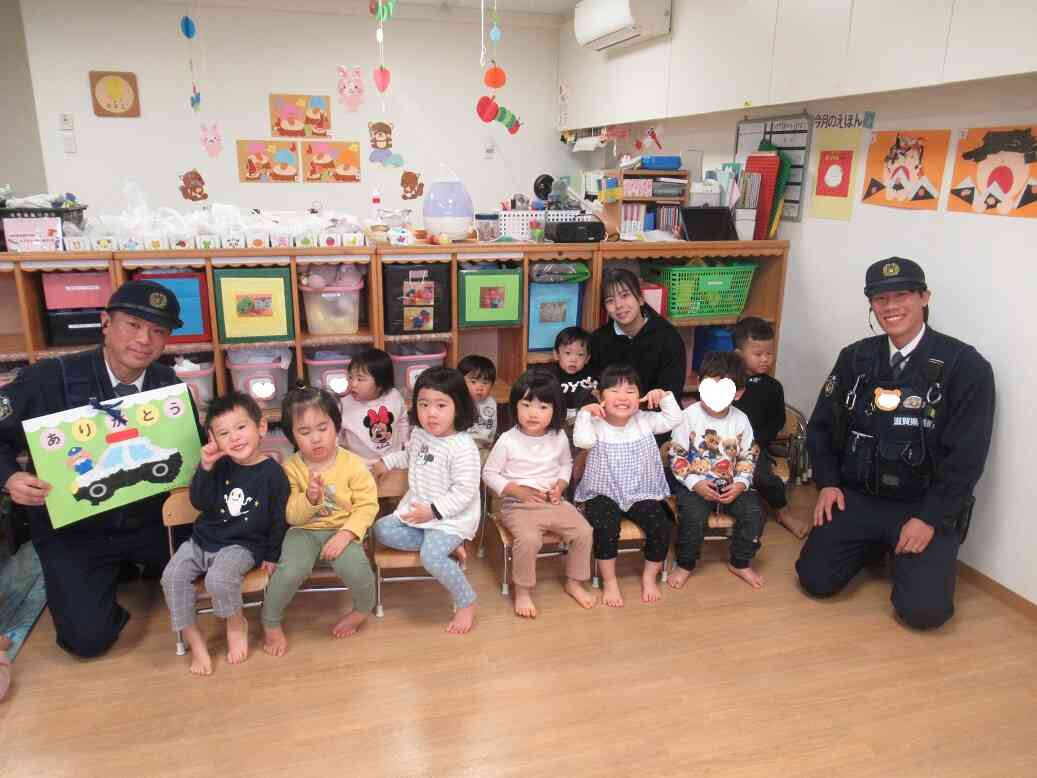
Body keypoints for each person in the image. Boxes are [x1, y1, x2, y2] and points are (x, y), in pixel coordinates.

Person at [796, 257, 995, 630]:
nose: (890, 307)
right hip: (859, 495)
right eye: (879, 298)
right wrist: (828, 484)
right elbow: (821, 427)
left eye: (901, 295)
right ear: (871, 304)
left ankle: (898, 549)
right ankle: (876, 544)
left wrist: (930, 518)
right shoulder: (856, 357)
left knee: (924, 614)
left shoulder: (965, 367)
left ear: (924, 297)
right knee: (815, 580)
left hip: (922, 505)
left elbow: (967, 457)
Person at [0, 280, 190, 659]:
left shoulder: (168, 386)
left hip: (149, 520)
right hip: (75, 531)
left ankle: (139, 568)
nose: (144, 340)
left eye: (158, 331)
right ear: (106, 322)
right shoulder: (50, 377)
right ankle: (107, 581)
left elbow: (187, 456)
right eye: (133, 325)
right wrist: (9, 477)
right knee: (86, 640)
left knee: (221, 567)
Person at [160, 392, 288, 675]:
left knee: (219, 579)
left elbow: (280, 517)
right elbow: (200, 502)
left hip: (242, 545)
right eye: (224, 433)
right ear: (212, 438)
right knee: (171, 577)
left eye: (241, 427)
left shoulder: (273, 473)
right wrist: (205, 466)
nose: (235, 438)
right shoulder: (217, 465)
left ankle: (235, 623)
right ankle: (195, 641)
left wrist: (272, 553)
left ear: (261, 427)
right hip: (201, 541)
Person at [261, 385, 378, 657]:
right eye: (304, 432)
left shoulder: (352, 464)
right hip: (303, 531)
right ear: (292, 435)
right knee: (289, 572)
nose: (315, 439)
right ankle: (270, 622)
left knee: (359, 571)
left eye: (322, 428)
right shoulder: (290, 468)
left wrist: (346, 534)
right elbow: (290, 514)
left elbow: (367, 505)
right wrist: (310, 499)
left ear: (336, 427)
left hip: (342, 529)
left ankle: (361, 611)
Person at [372, 367, 481, 634]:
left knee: (431, 557)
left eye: (441, 405)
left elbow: (464, 493)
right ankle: (448, 549)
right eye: (424, 404)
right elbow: (409, 456)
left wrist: (432, 512)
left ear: (459, 407)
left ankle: (467, 602)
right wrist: (387, 461)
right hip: (418, 510)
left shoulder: (463, 446)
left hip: (449, 520)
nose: (431, 413)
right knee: (381, 529)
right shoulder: (420, 434)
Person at [482, 369, 595, 618]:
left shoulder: (559, 438)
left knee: (584, 532)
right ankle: (522, 590)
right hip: (517, 504)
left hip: (552, 500)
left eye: (543, 407)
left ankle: (574, 582)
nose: (533, 413)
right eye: (526, 405)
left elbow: (566, 464)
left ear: (555, 410)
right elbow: (489, 474)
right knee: (530, 539)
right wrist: (517, 492)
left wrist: (560, 486)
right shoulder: (507, 440)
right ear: (515, 406)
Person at [574, 364, 682, 607]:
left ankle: (649, 577)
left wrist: (664, 397)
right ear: (600, 397)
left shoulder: (645, 420)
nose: (622, 397)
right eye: (613, 391)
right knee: (604, 527)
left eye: (631, 391)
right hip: (602, 492)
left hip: (641, 491)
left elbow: (675, 419)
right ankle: (610, 581)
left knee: (661, 526)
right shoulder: (595, 424)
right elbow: (582, 440)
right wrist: (584, 414)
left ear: (640, 397)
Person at [668, 352, 764, 589]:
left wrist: (741, 483)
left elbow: (749, 455)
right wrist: (695, 484)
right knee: (692, 517)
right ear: (700, 384)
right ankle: (685, 563)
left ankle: (740, 561)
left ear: (738, 393)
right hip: (695, 485)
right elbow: (677, 455)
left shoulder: (741, 420)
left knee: (754, 513)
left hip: (731, 485)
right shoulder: (687, 417)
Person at [732, 317, 799, 535]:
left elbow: (777, 420)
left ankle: (783, 512)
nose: (765, 360)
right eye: (758, 354)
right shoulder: (726, 384)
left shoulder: (773, 387)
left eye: (769, 354)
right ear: (739, 355)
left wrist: (757, 442)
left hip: (754, 447)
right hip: (724, 444)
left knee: (762, 476)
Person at [589, 268, 687, 402]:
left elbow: (672, 393)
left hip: (655, 416)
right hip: (613, 415)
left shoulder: (668, 337)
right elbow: (593, 386)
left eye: (625, 295)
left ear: (640, 299)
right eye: (610, 300)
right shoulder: (598, 340)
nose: (618, 305)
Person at [338, 348, 409, 497]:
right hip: (360, 463)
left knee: (403, 483)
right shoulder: (343, 405)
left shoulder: (394, 396)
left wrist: (404, 441)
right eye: (350, 377)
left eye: (360, 379)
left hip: (392, 459)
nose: (353, 384)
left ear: (380, 384)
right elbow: (335, 435)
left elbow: (402, 417)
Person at [551, 326, 599, 424]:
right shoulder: (552, 377)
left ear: (587, 359)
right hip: (561, 420)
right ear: (556, 354)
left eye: (580, 354)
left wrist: (599, 394)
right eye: (568, 353)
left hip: (589, 419)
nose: (573, 359)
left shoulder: (593, 374)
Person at [458, 354, 498, 454]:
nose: (479, 387)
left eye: (485, 383)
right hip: (460, 446)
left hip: (482, 446)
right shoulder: (457, 400)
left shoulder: (490, 403)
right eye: (473, 382)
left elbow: (488, 432)